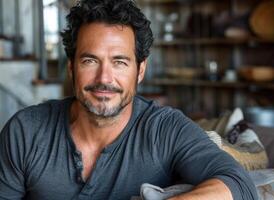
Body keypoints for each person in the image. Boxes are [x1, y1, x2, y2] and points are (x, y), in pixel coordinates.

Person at [0, 0, 258, 199]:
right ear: (71, 68)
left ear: (140, 70)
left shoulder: (164, 130)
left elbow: (239, 185)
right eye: (90, 60)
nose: (104, 78)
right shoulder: (26, 131)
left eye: (120, 62)